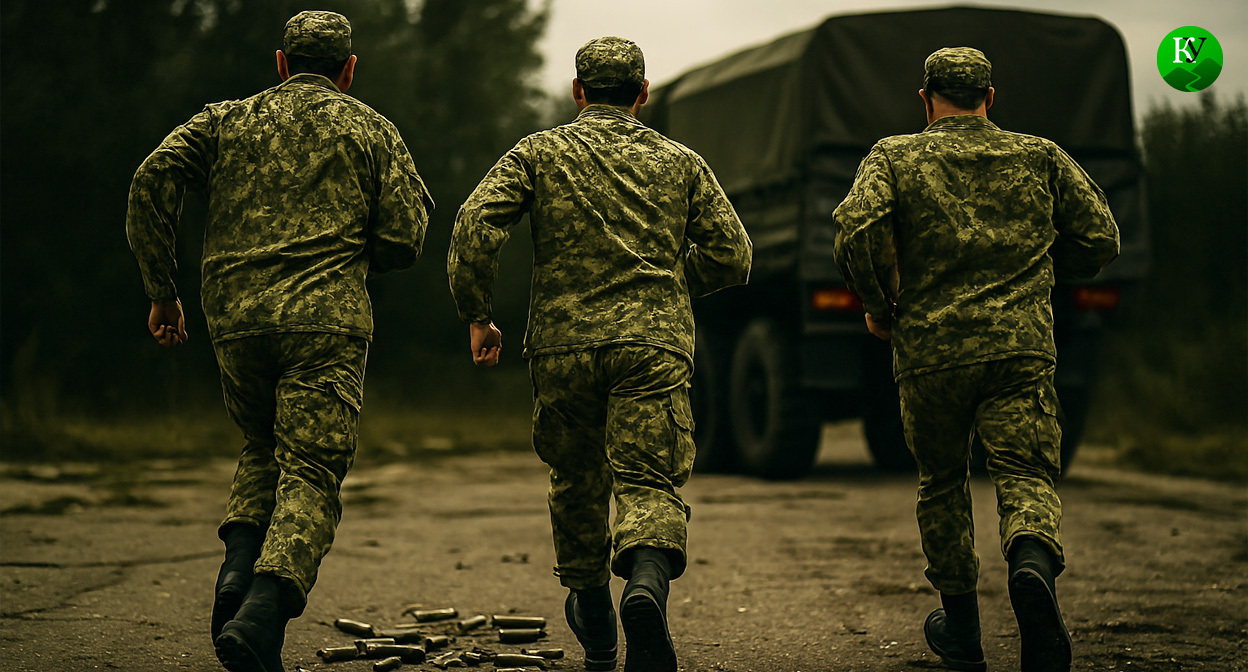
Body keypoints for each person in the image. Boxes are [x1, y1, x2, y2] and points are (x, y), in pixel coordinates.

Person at [126, 11, 432, 672]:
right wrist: (353, 254)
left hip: (233, 317)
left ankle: (238, 565)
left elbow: (151, 180)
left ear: (280, 62)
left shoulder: (223, 120)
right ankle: (264, 608)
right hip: (325, 325)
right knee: (313, 468)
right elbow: (408, 237)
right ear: (349, 70)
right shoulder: (371, 128)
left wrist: (163, 289)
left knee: (262, 445)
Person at [447, 36, 751, 672]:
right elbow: (734, 255)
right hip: (651, 344)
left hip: (562, 347)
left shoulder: (538, 153)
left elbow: (476, 222)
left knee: (576, 479)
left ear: (578, 90)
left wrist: (478, 314)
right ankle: (644, 585)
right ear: (642, 94)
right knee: (649, 479)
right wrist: (670, 284)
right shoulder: (681, 162)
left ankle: (593, 615)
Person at [832, 47, 1119, 672]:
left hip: (930, 354)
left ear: (925, 98)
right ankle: (1031, 566)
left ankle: (961, 626)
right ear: (991, 98)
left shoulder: (893, 156)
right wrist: (1040, 271)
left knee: (942, 483)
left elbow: (857, 230)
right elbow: (1102, 236)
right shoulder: (1040, 155)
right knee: (1025, 473)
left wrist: (880, 305)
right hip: (1018, 349)